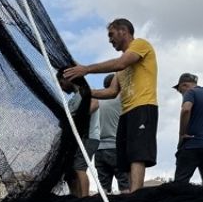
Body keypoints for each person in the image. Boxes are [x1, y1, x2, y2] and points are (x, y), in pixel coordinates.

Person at [64, 18, 159, 190]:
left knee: (138, 154)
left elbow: (120, 63)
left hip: (143, 106)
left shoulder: (140, 45)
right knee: (126, 157)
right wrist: (84, 91)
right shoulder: (120, 68)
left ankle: (136, 195)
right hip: (126, 112)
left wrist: (86, 69)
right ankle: (130, 192)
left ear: (123, 31)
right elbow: (111, 92)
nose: (109, 40)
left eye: (111, 34)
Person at [58, 69, 98, 197]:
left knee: (79, 167)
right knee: (70, 170)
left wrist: (79, 118)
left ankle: (84, 198)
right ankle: (76, 197)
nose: (62, 88)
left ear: (66, 79)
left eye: (61, 83)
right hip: (77, 140)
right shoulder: (72, 100)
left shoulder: (85, 93)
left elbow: (95, 104)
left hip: (88, 137)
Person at [93, 75, 128, 194]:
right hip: (116, 148)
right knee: (125, 187)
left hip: (99, 149)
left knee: (103, 191)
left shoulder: (97, 101)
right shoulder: (121, 99)